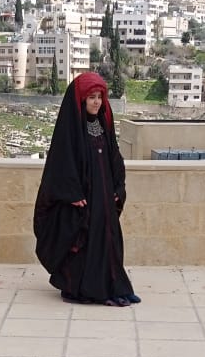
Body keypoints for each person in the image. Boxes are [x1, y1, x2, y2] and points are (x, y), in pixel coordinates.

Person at [33, 71, 140, 306]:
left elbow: (114, 157)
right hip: (83, 199)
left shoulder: (103, 124)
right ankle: (85, 290)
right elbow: (61, 162)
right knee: (85, 242)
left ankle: (115, 287)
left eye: (100, 97)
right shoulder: (71, 129)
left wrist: (118, 187)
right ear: (81, 100)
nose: (96, 102)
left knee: (109, 240)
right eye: (91, 97)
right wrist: (71, 192)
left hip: (104, 196)